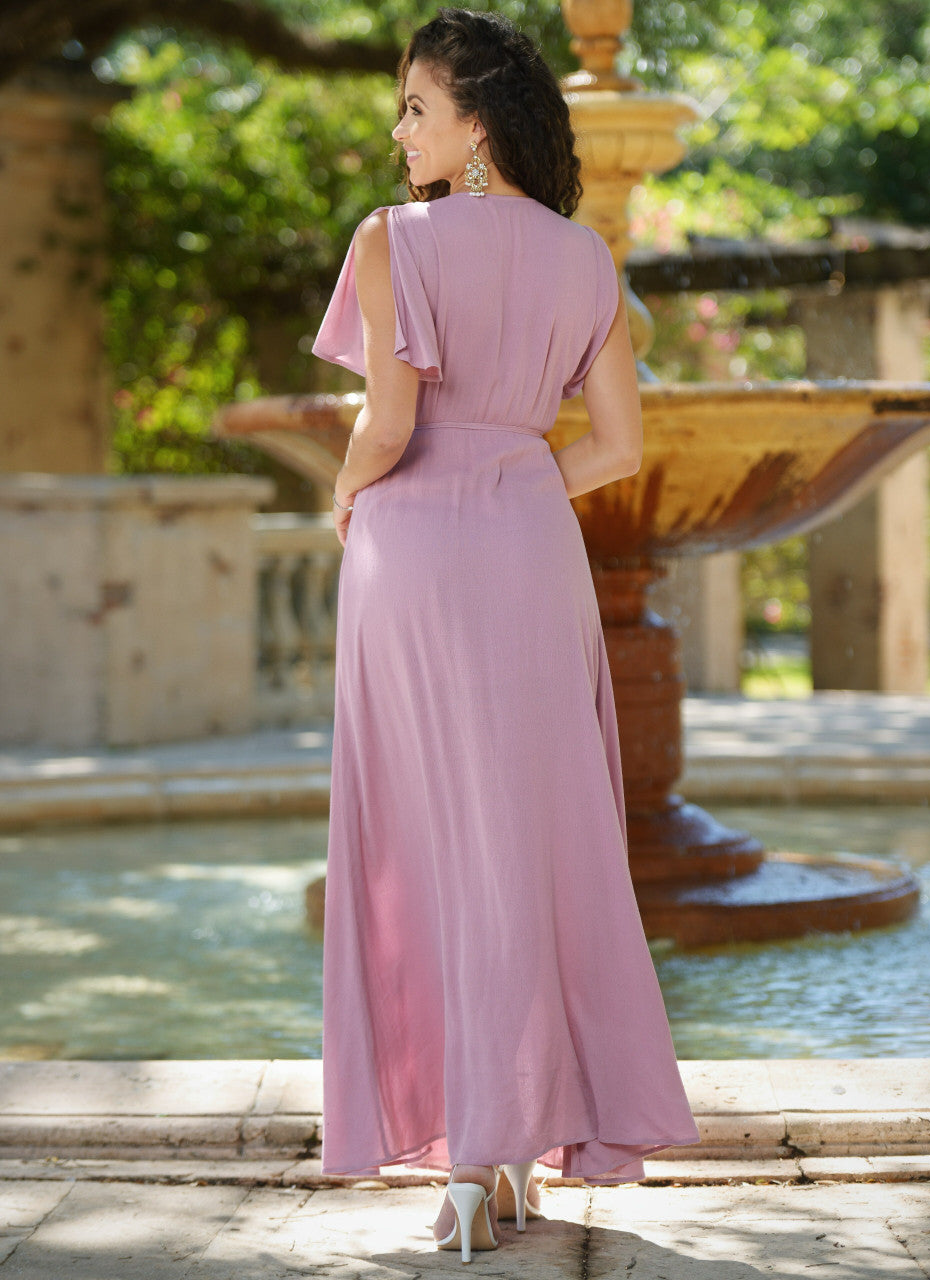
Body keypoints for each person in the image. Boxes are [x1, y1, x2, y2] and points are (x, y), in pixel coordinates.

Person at [311, 6, 699, 1263]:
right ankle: (511, 1149)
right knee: (531, 839)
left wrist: (345, 494)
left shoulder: (395, 240)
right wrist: (520, 477)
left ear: (474, 123)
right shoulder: (585, 256)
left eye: (416, 106)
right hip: (533, 551)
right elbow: (621, 447)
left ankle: (470, 1161)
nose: (399, 130)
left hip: (414, 552)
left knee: (424, 835)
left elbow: (385, 419)